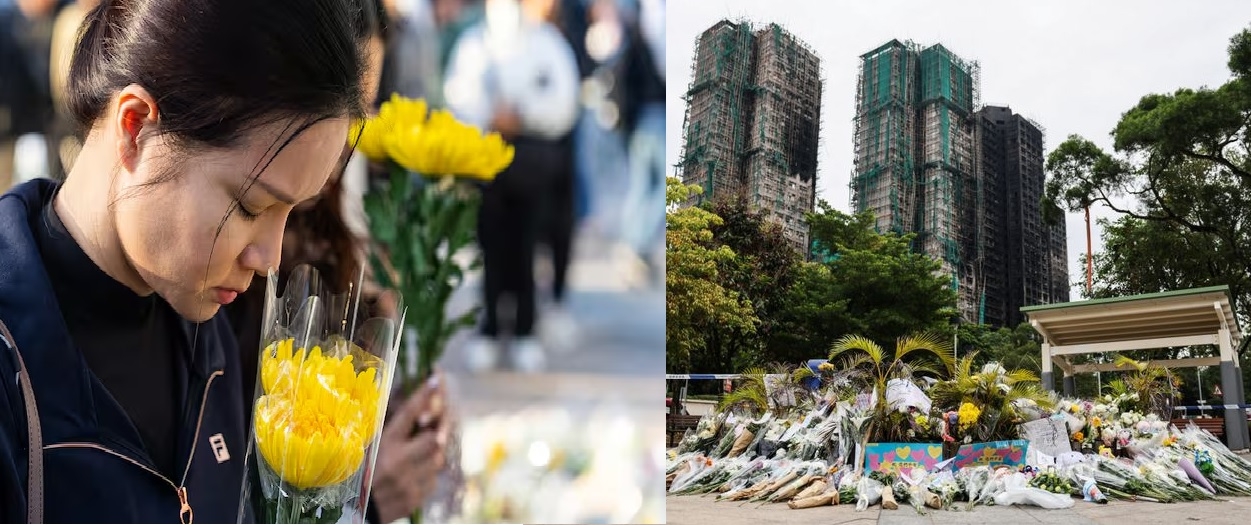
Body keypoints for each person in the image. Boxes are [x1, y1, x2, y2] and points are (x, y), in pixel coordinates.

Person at [0, 0, 395, 521]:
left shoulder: (206, 334)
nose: (269, 258)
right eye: (251, 206)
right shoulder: (14, 358)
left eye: (293, 210)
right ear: (136, 127)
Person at [224, 0, 451, 520]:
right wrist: (362, 499)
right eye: (335, 107)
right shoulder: (221, 254)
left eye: (363, 107)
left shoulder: (338, 214)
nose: (346, 137)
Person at [444, 0, 580, 372]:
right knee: (491, 249)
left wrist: (523, 113)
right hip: (487, 158)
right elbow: (458, 95)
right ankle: (489, 327)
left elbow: (564, 101)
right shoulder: (474, 43)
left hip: (533, 162)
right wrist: (490, 115)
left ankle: (525, 329)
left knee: (526, 249)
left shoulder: (546, 43)